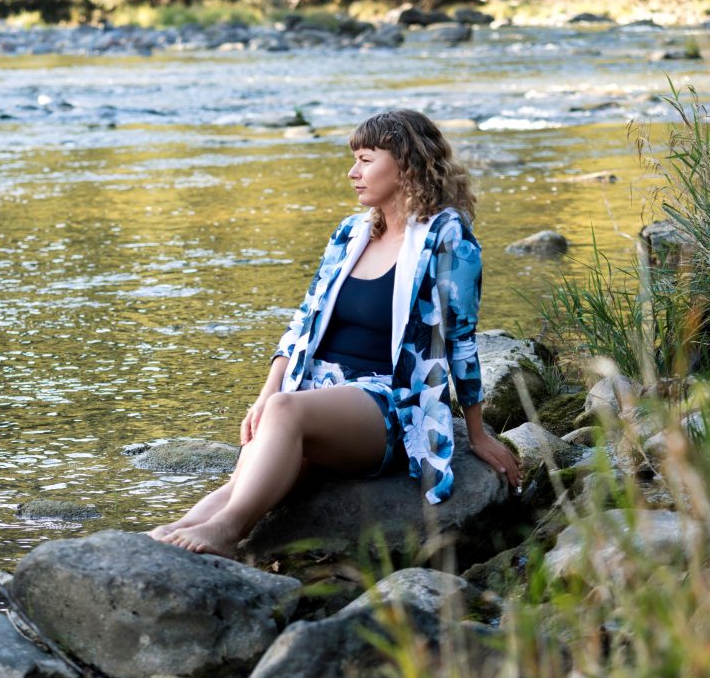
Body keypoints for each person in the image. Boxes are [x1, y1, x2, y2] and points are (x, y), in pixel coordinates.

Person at [149, 109, 523, 558]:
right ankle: (178, 532)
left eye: (366, 159)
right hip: (320, 394)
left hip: (390, 402)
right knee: (242, 476)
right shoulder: (351, 233)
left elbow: (461, 339)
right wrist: (267, 391)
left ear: (405, 163)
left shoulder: (446, 237)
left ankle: (228, 534)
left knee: (286, 413)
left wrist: (477, 435)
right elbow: (303, 322)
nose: (353, 173)